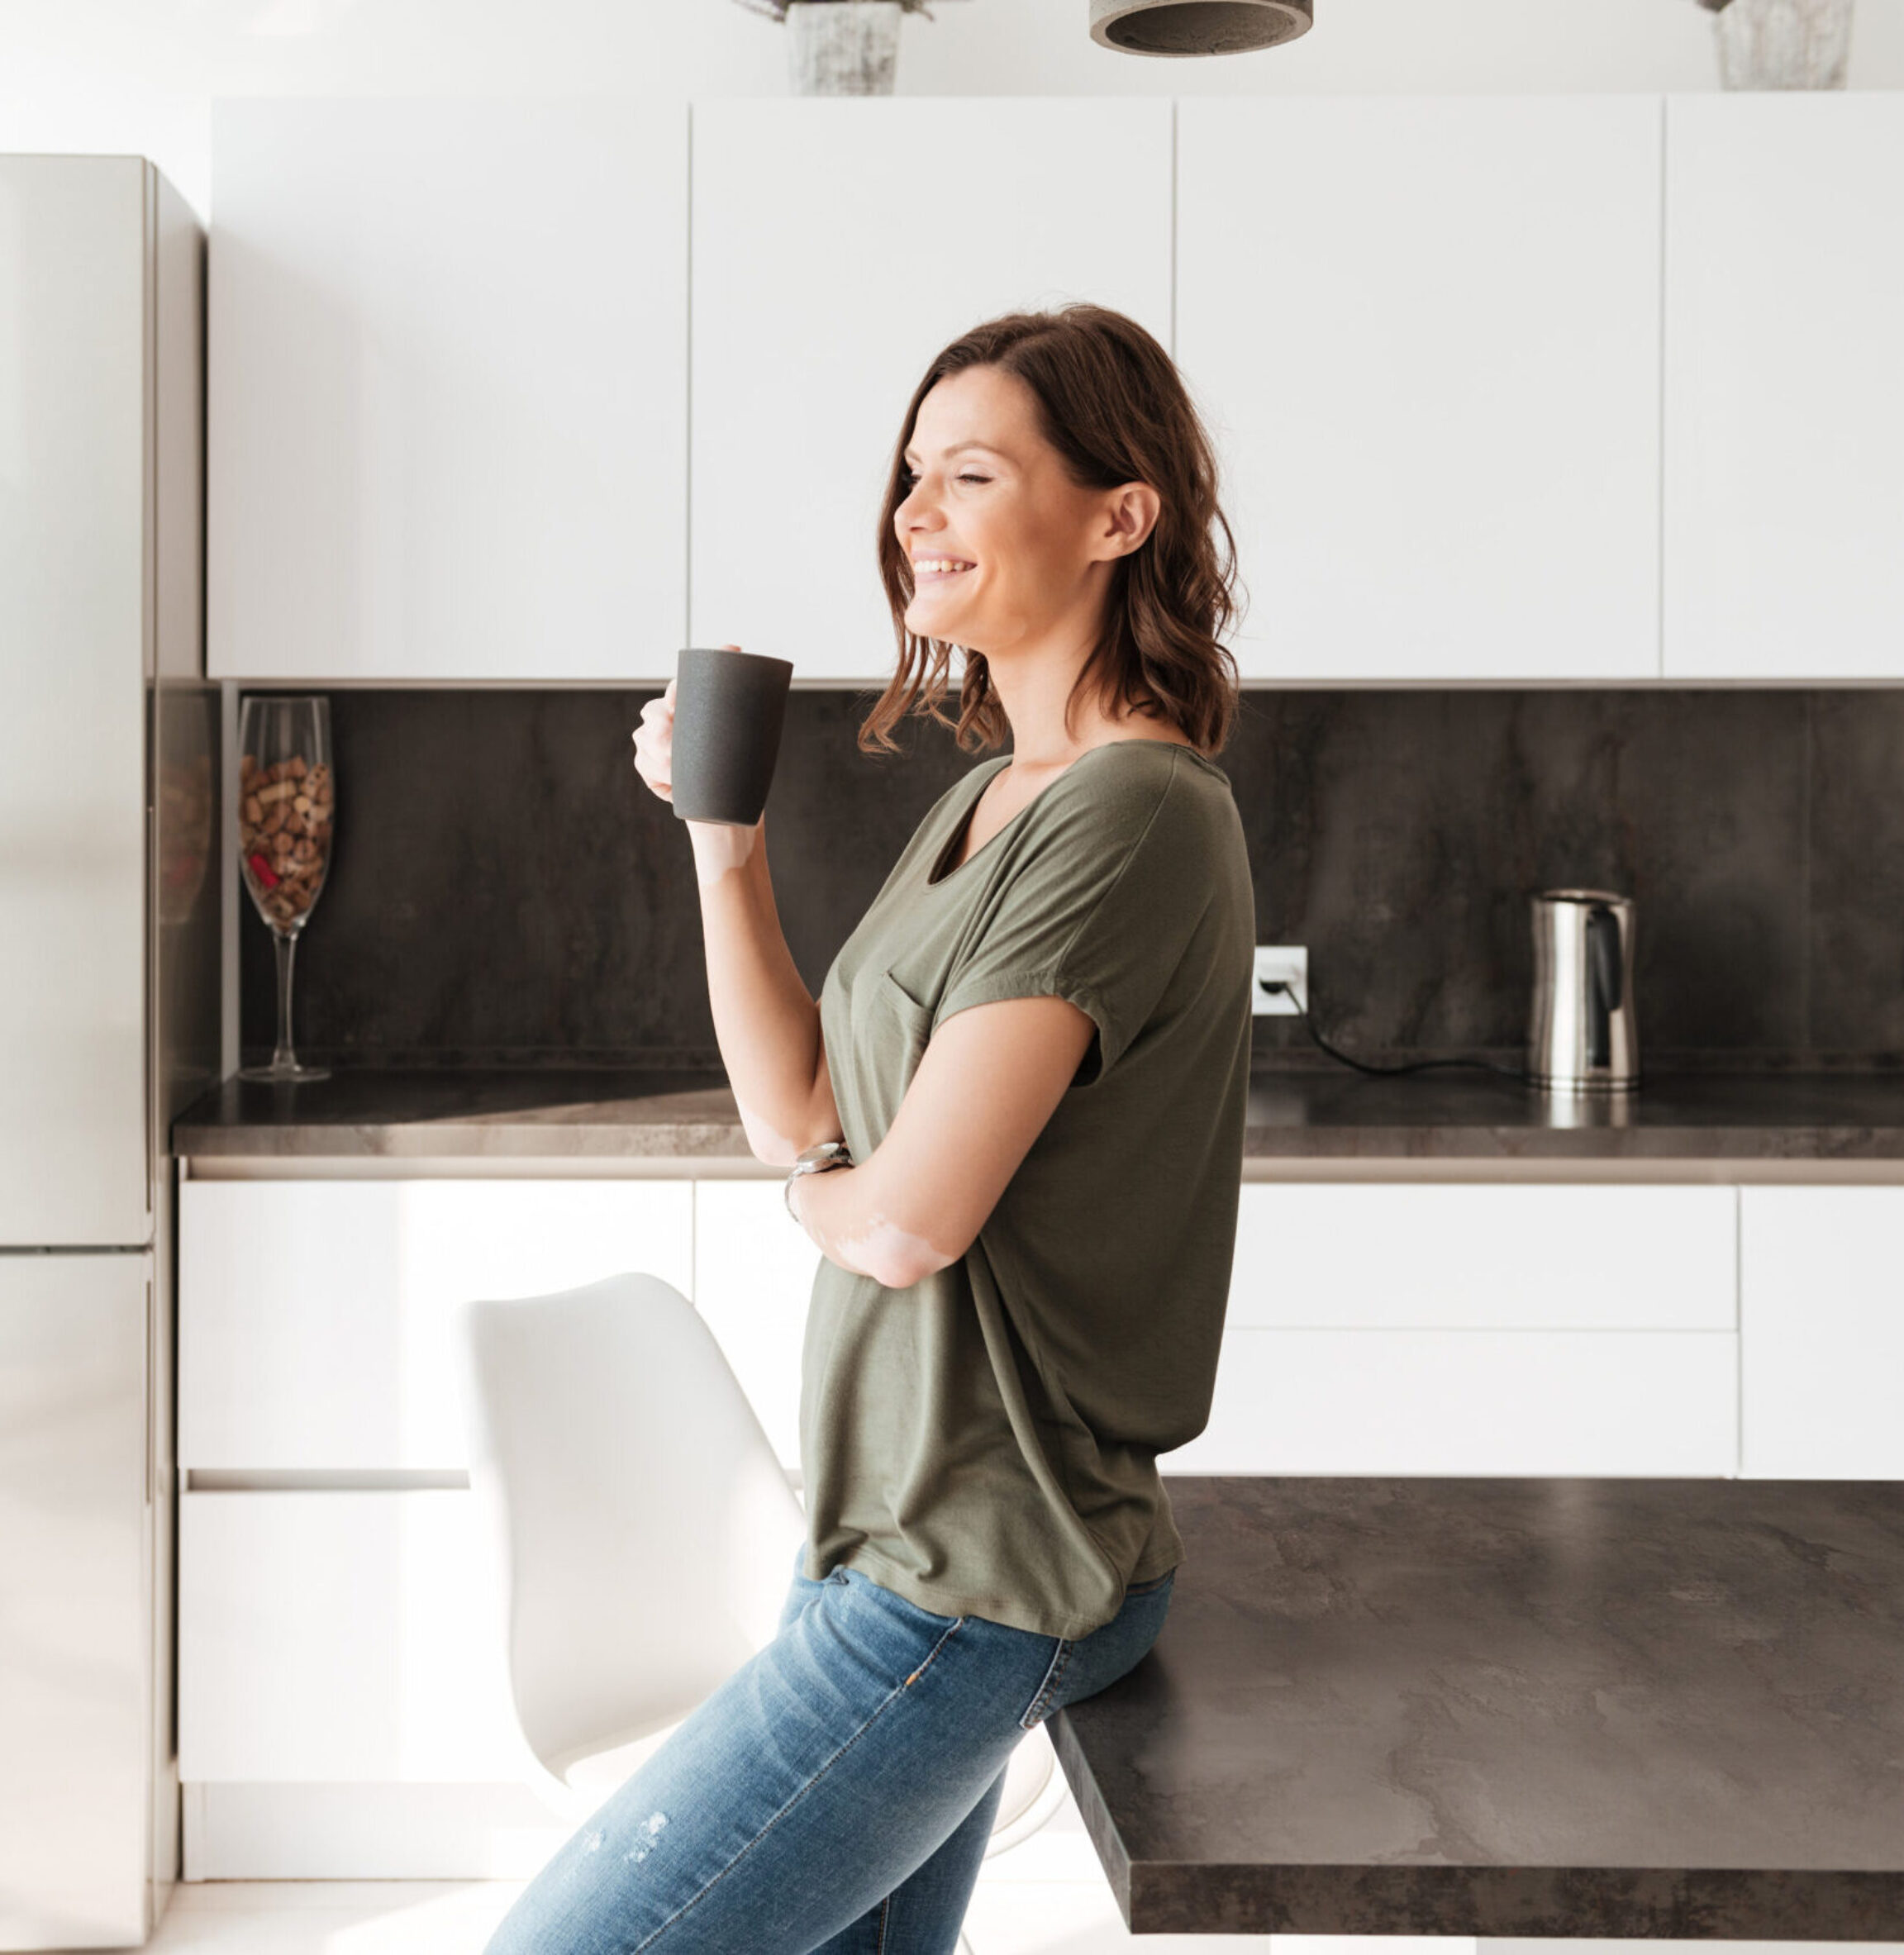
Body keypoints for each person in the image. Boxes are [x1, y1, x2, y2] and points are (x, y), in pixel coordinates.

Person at [482, 302, 1254, 1955]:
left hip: (977, 1571)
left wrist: (830, 1200)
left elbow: (905, 1218)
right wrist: (721, 837)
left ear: (1121, 519)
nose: (913, 512)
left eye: (972, 473)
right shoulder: (989, 798)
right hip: (887, 1540)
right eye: (913, 473)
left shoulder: (1132, 810)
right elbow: (804, 1113)